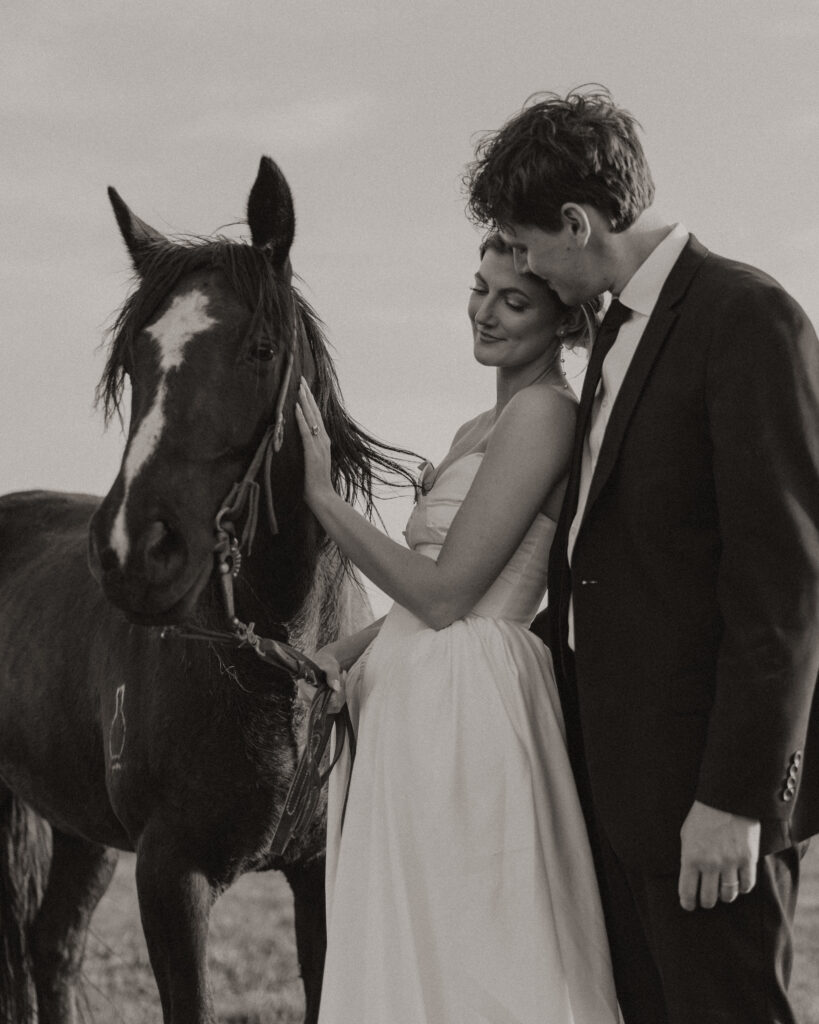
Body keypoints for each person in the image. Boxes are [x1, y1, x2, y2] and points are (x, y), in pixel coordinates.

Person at [464, 87, 819, 1024]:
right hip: (612, 791)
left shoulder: (745, 318)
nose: (527, 266)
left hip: (703, 803)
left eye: (529, 244)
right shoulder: (614, 339)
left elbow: (784, 586)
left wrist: (735, 801)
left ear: (576, 223)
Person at [294, 234, 619, 1023]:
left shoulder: (546, 415)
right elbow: (422, 607)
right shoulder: (478, 423)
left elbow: (446, 598)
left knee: (475, 942)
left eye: (513, 301)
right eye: (480, 289)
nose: (484, 312)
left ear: (565, 321)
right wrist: (343, 654)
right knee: (416, 939)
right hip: (411, 697)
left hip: (466, 709)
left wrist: (322, 497)